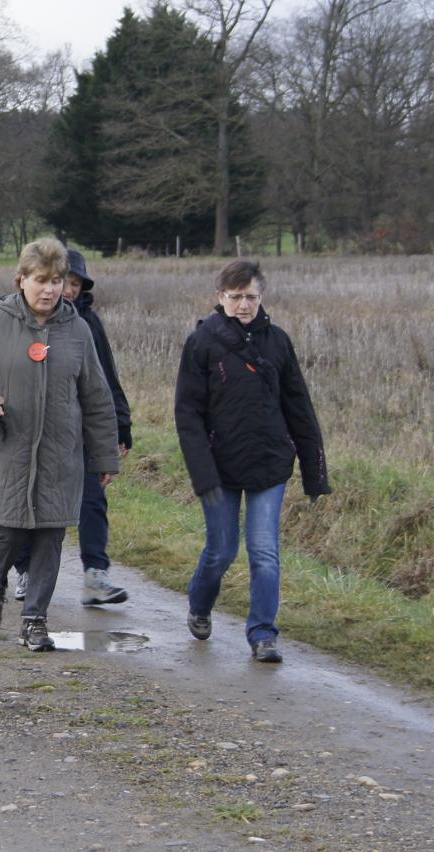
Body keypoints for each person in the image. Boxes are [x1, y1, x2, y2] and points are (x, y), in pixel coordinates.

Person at [0, 238, 119, 651]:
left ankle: (34, 621)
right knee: (7, 536)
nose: (49, 289)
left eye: (57, 281)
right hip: (9, 451)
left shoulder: (77, 329)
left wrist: (104, 454)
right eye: (41, 280)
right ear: (21, 280)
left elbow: (96, 396)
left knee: (50, 537)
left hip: (61, 455)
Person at [175, 259, 330, 664]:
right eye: (236, 297)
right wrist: (202, 472)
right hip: (219, 467)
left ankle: (263, 634)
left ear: (262, 297)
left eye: (251, 297)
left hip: (269, 463)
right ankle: (200, 605)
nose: (244, 305)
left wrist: (315, 473)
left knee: (264, 551)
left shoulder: (277, 341)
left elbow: (299, 407)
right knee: (221, 551)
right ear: (219, 297)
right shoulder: (202, 343)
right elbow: (187, 414)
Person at [11, 249, 134, 607]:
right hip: (32, 431)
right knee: (29, 503)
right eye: (59, 281)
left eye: (72, 283)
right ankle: (25, 570)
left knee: (93, 501)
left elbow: (105, 379)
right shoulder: (16, 320)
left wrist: (120, 425)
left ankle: (96, 574)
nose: (66, 290)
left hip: (80, 431)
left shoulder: (87, 324)